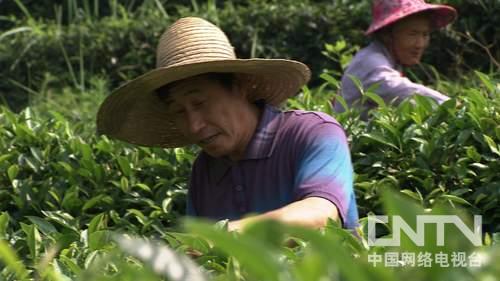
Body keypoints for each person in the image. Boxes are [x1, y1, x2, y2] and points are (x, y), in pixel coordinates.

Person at [97, 17, 359, 232]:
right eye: (178, 111)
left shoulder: (313, 133)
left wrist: (224, 237)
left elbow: (320, 216)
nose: (194, 125)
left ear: (240, 85)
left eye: (200, 103)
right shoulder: (206, 169)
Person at [334, 0, 457, 115]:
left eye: (425, 34)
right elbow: (397, 89)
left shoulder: (391, 61)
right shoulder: (370, 61)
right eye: (412, 34)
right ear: (386, 34)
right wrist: (452, 105)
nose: (420, 44)